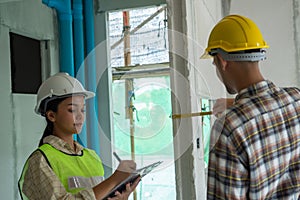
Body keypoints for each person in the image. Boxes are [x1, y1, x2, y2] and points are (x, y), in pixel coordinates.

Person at [201, 14, 300, 199]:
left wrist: (235, 111)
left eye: (214, 63)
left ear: (222, 61)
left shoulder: (228, 129)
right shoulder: (296, 99)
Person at [18, 72, 140, 200]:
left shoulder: (91, 156)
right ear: (51, 116)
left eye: (83, 109)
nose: (80, 116)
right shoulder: (40, 160)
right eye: (72, 110)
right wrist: (114, 180)